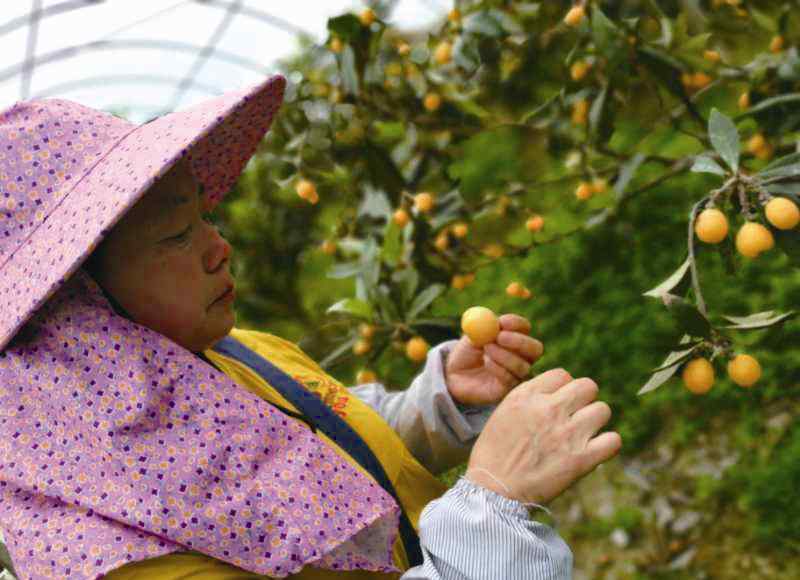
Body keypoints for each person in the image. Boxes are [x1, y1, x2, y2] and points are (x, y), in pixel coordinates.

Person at [0, 74, 621, 580]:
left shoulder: (230, 354)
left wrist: (440, 404)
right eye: (176, 234)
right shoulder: (119, 549)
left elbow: (323, 442)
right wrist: (492, 503)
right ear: (78, 309)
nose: (220, 247)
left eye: (205, 216)